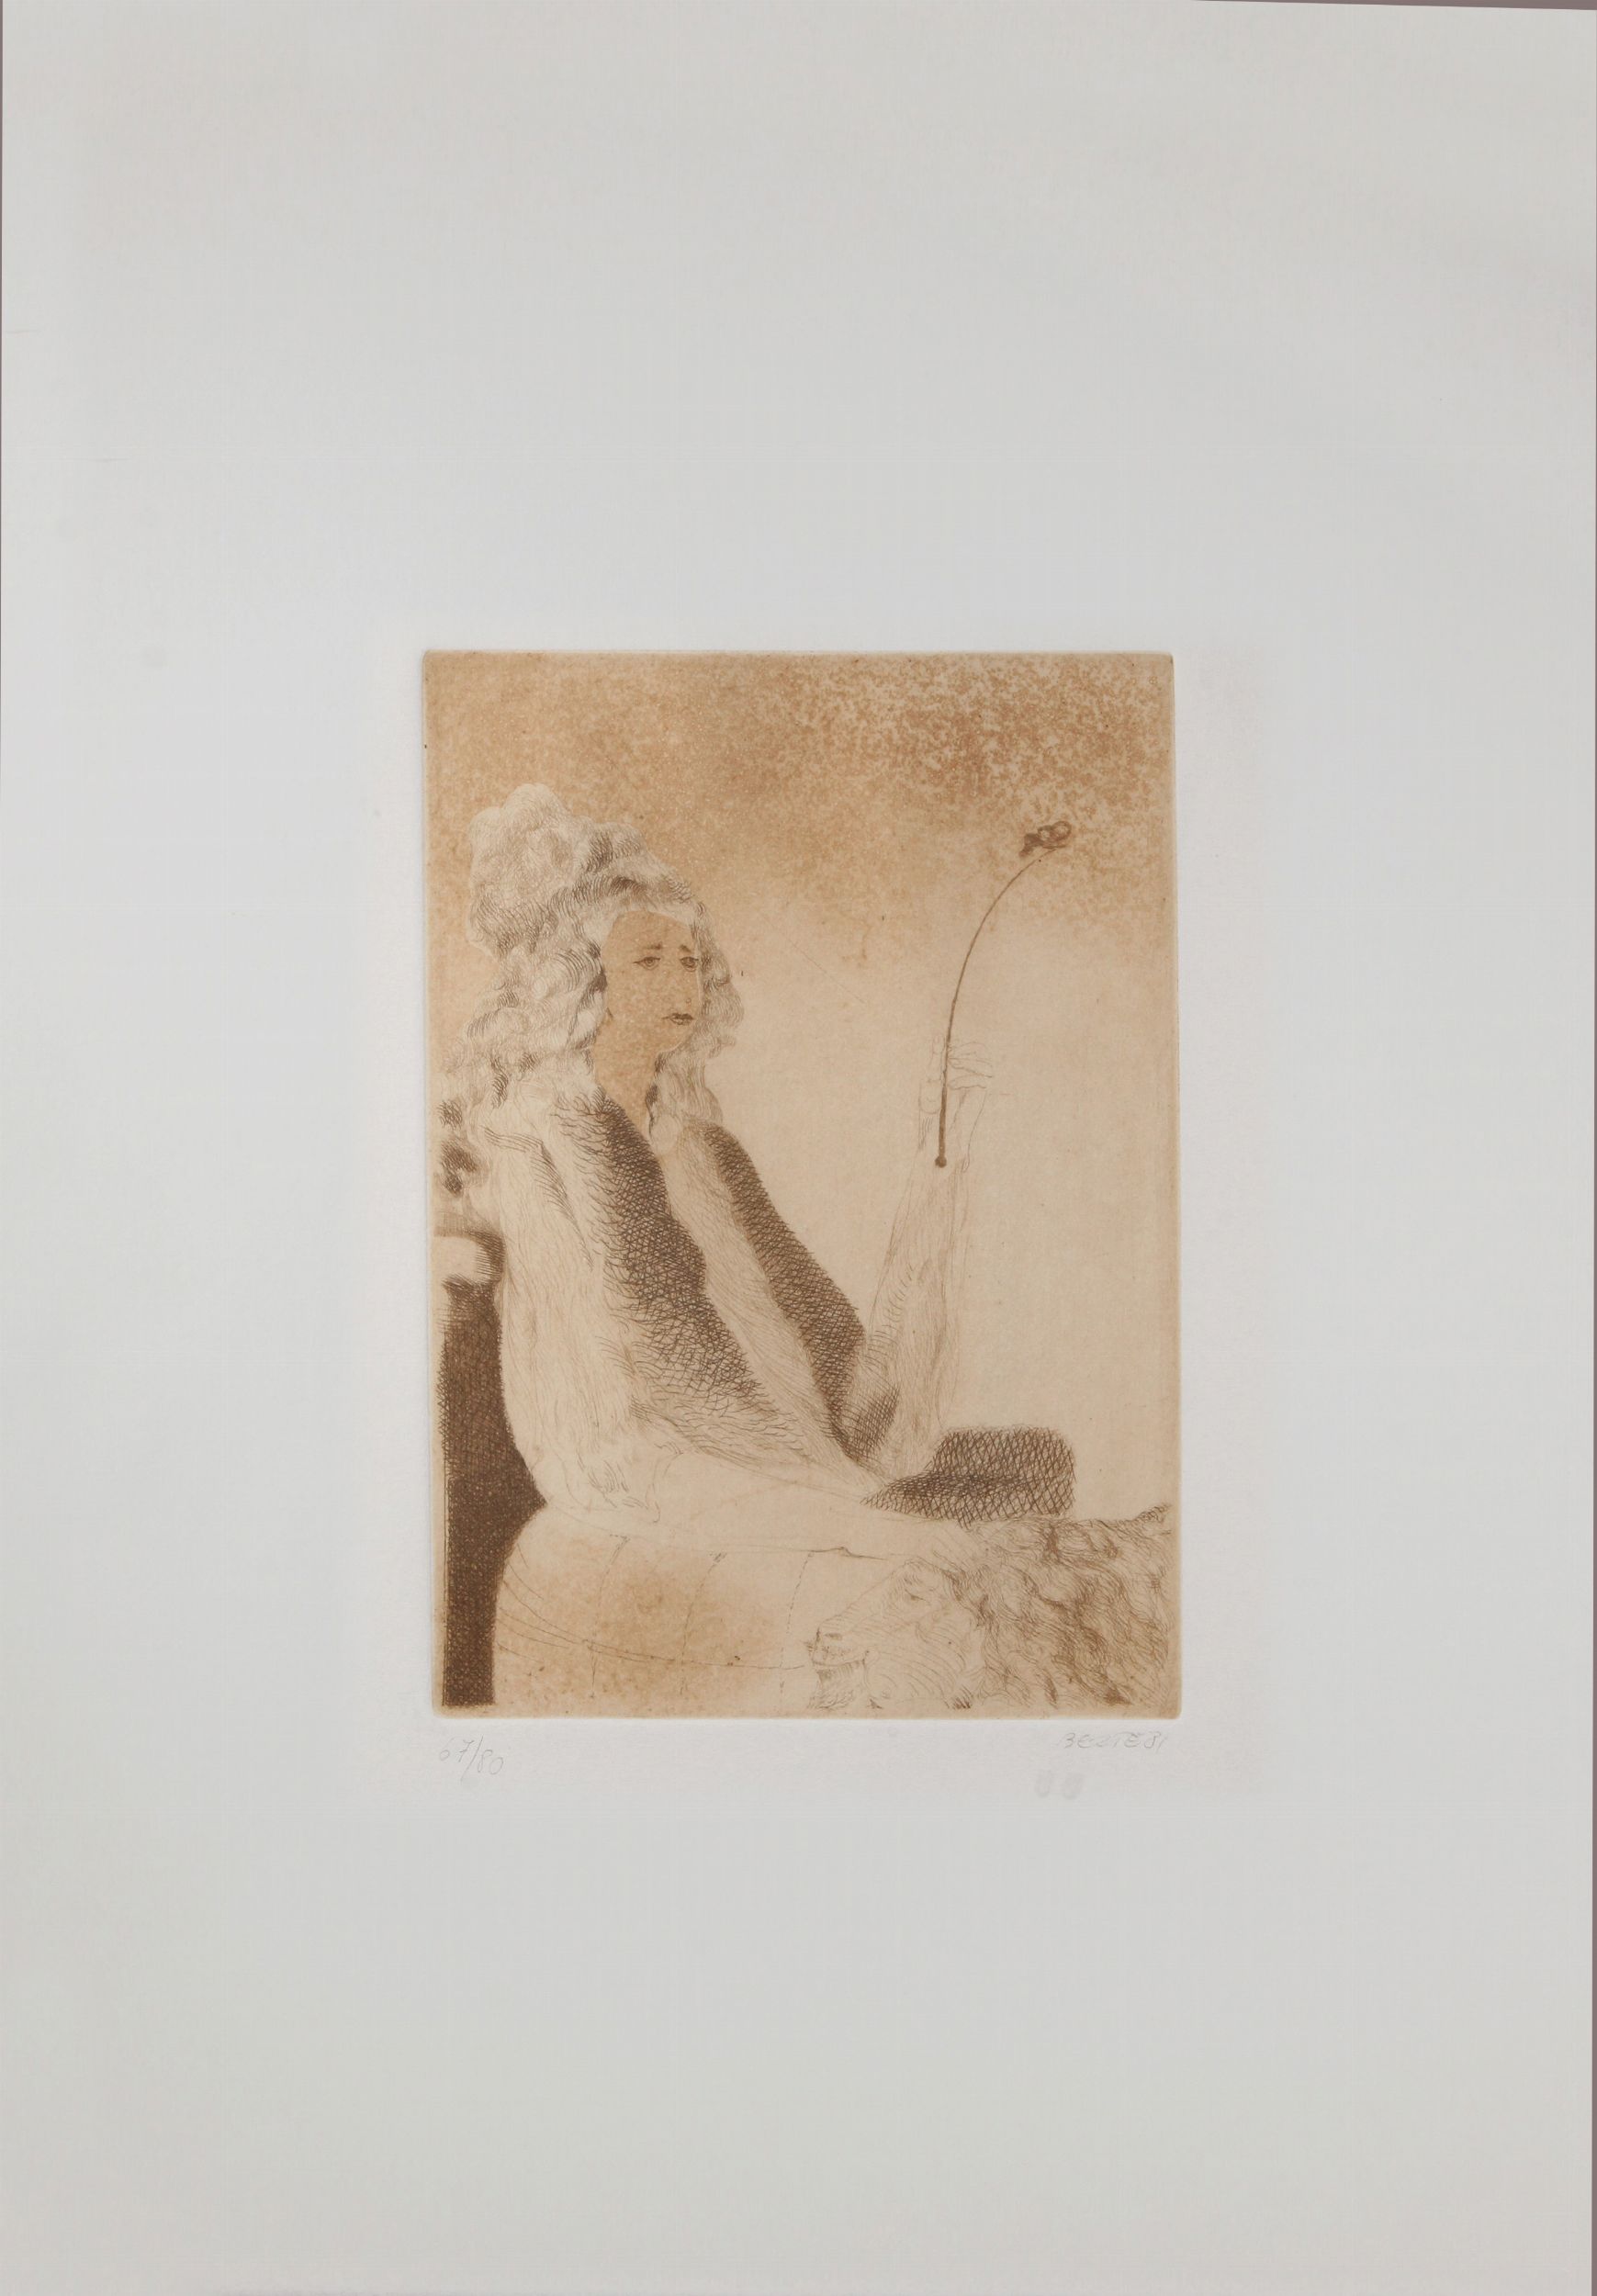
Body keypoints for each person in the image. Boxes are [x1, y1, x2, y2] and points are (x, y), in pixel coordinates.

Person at [434, 784, 1169, 1716]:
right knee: (964, 1554)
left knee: (1035, 1466)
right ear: (579, 985)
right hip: (656, 1466)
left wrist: (936, 1170)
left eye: (690, 959)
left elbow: (863, 1400)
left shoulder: (705, 1153)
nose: (681, 982)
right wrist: (852, 1507)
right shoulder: (548, 1136)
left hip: (787, 1460)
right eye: (648, 959)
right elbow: (651, 1383)